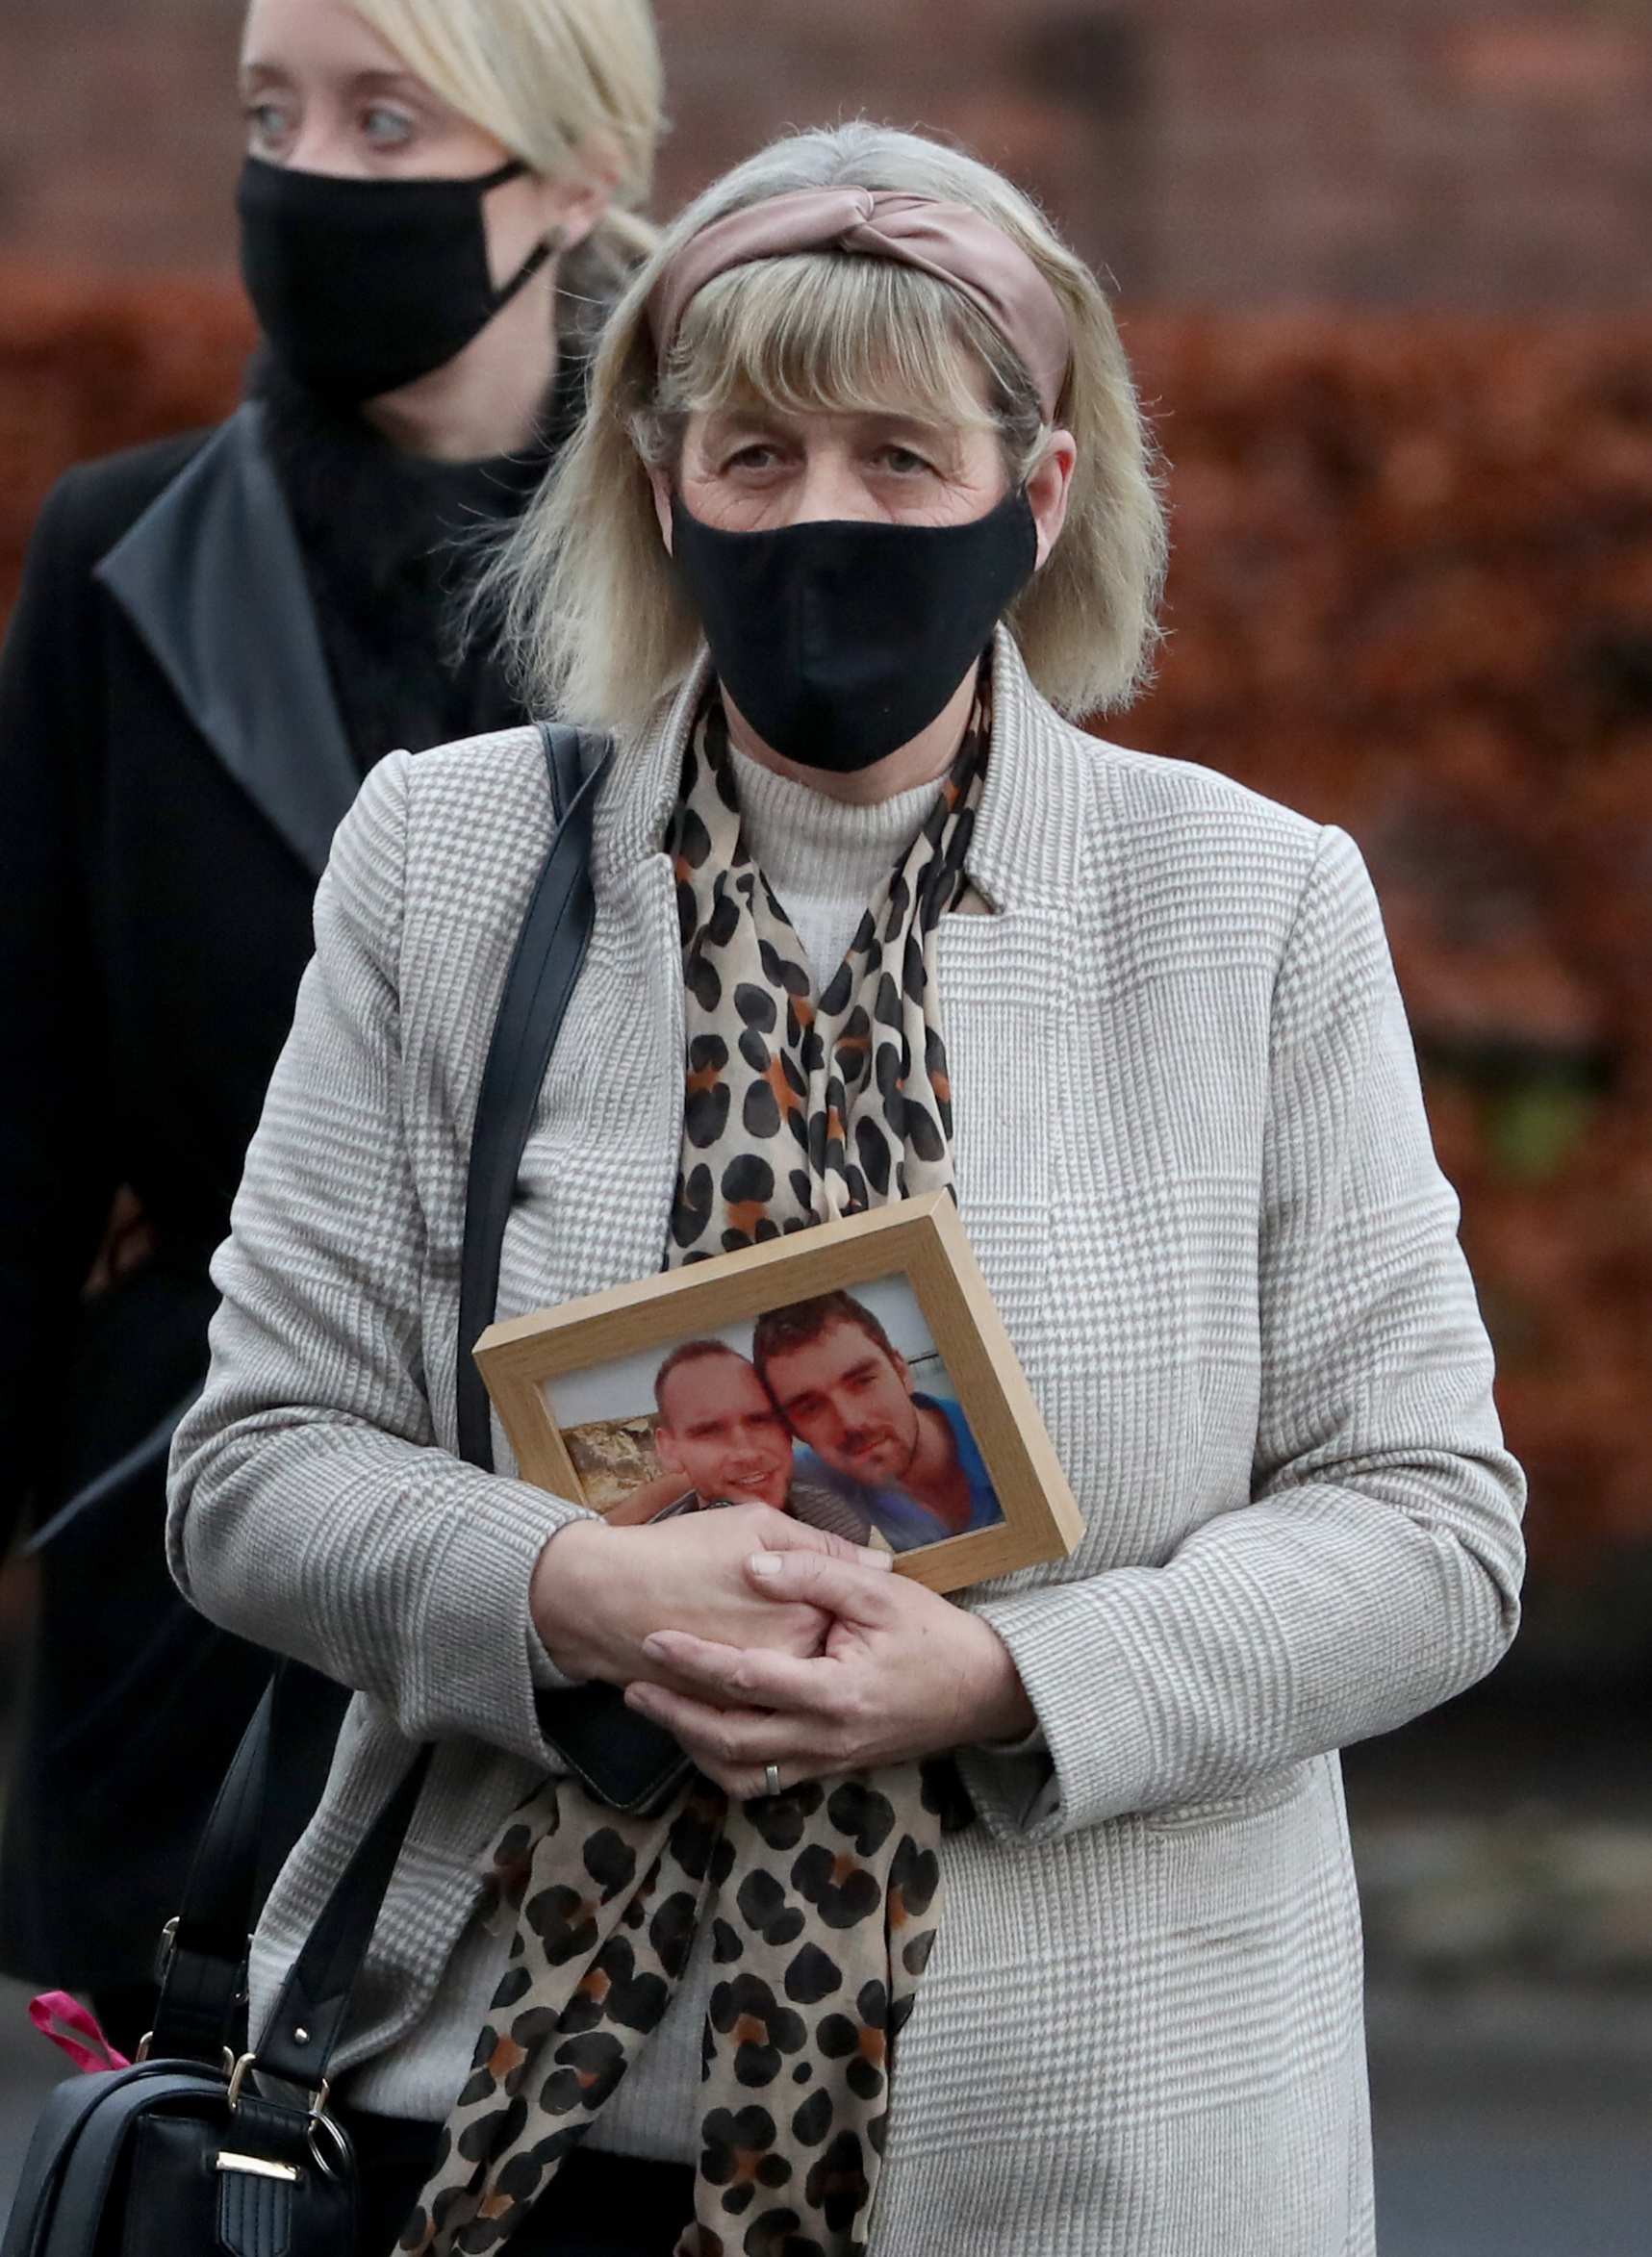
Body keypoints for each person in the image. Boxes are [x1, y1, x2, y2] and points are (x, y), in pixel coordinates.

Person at [169, 120, 1526, 2256]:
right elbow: (252, 1467)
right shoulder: (448, 863)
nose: (825, 518)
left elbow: (1433, 1526)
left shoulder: (1247, 909)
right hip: (514, 2149)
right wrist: (563, 1593)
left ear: (1039, 491)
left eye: (901, 460)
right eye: (758, 456)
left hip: (1094, 2169)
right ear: (658, 484)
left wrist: (1007, 1685)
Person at [0, 0, 661, 2050]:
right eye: (271, 115)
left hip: (633, 1539)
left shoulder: (720, 561)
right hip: (200, 1554)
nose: (308, 176)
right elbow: (26, 1112)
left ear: (570, 175)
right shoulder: (129, 561)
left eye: (389, 120)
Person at [753, 1292, 1003, 1546]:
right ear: (794, 1430)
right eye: (810, 1408)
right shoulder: (800, 1478)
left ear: (902, 1371)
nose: (851, 1422)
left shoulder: (1005, 1431)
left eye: (863, 1382)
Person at [605, 1337, 879, 1543]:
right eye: (710, 1432)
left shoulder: (841, 1520)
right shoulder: (647, 1563)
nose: (746, 1452)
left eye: (760, 1421)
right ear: (669, 1449)